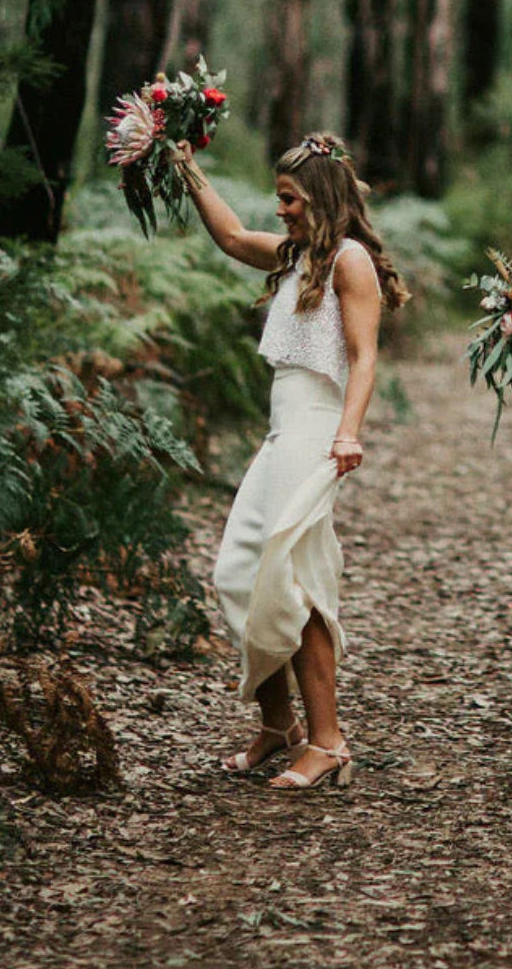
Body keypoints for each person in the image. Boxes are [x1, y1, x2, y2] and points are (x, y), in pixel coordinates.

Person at [172, 132, 408, 790]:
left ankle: (328, 741)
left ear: (321, 197)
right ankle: (279, 726)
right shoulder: (297, 255)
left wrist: (349, 433)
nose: (280, 210)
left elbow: (363, 357)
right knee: (240, 575)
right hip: (282, 435)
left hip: (316, 433)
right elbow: (227, 235)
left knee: (297, 585)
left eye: (290, 199)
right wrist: (186, 167)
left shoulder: (349, 263)